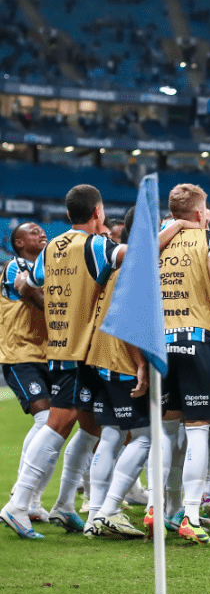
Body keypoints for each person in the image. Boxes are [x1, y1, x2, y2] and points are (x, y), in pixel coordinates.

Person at [2, 185, 124, 540]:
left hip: (64, 346)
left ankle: (64, 504)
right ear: (98, 212)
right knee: (56, 422)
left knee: (89, 427)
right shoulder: (97, 245)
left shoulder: (51, 249)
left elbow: (37, 281)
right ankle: (19, 502)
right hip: (75, 348)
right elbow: (132, 256)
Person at [156, 184, 210, 544]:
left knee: (166, 431)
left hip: (159, 340)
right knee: (199, 429)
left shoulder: (156, 241)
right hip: (195, 338)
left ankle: (157, 508)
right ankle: (190, 514)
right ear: (201, 213)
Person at [85, 207, 152, 539]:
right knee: (146, 438)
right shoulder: (135, 266)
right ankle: (110, 509)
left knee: (111, 436)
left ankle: (94, 515)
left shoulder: (109, 267)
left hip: (99, 358)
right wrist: (141, 364)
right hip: (122, 362)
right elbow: (129, 321)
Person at [1, 222, 52, 522]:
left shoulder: (47, 266)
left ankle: (30, 500)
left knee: (56, 424)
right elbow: (32, 295)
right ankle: (22, 495)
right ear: (19, 243)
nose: (41, 233)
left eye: (41, 230)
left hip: (47, 354)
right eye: (33, 231)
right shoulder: (13, 267)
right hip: (20, 354)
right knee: (45, 419)